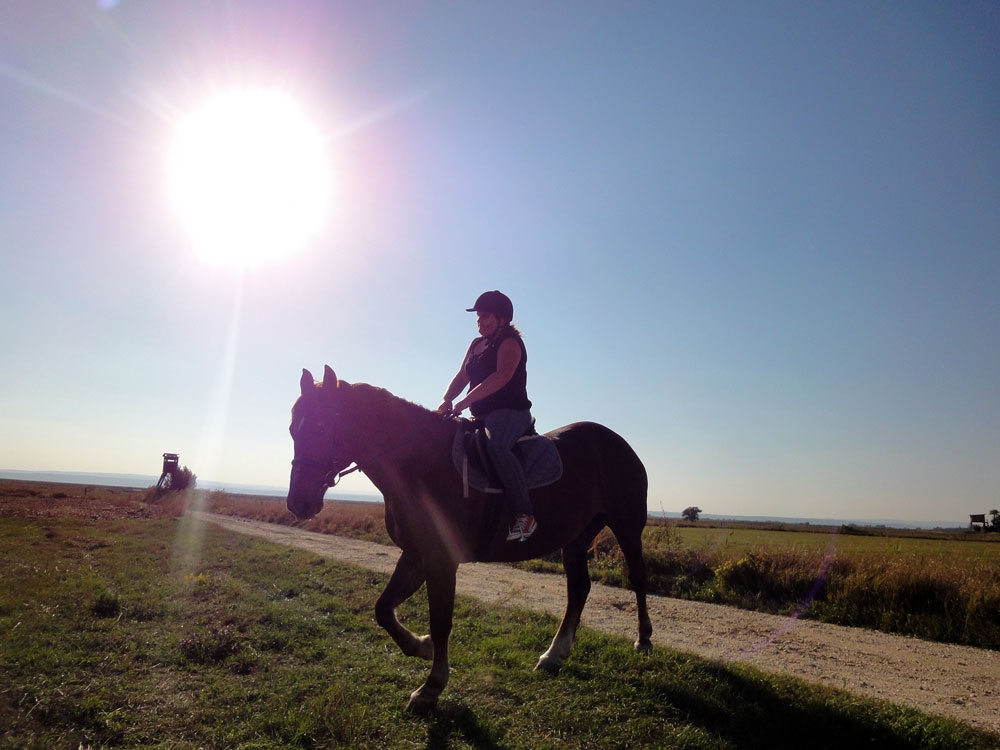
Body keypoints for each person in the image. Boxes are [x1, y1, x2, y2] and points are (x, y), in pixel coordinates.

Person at [437, 290, 537, 541]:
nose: (479, 321)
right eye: (478, 316)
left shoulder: (510, 343)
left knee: (497, 448)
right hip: (480, 415)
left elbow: (501, 377)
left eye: (486, 316)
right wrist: (446, 399)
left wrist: (465, 402)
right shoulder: (475, 345)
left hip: (510, 412)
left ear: (502, 318)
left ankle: (526, 516)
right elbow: (462, 377)